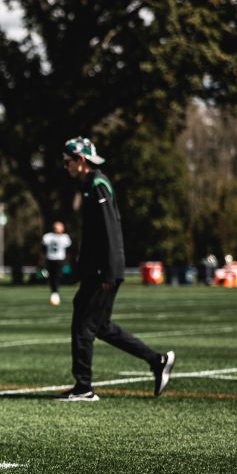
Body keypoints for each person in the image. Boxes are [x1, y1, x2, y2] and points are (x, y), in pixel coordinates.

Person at [54, 136, 175, 402]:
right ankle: (157, 361)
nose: (65, 167)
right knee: (100, 326)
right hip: (98, 270)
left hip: (103, 271)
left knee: (84, 325)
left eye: (67, 162)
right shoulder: (90, 185)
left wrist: (108, 272)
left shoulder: (97, 185)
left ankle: (83, 387)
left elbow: (110, 230)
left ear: (80, 160)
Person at [41, 222, 72, 305]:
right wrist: (42, 262)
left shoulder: (65, 237)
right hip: (50, 259)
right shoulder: (48, 237)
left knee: (57, 276)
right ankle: (54, 293)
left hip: (60, 260)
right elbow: (43, 250)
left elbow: (69, 251)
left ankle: (55, 293)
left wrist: (67, 262)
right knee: (51, 277)